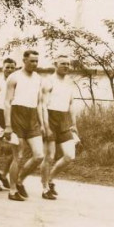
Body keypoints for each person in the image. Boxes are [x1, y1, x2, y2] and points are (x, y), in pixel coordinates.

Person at [4, 48, 44, 200]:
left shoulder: (38, 78)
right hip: (17, 117)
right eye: (32, 61)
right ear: (24, 60)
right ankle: (12, 191)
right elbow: (7, 102)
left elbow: (39, 103)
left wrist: (42, 123)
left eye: (36, 61)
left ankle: (19, 180)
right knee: (18, 156)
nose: (34, 63)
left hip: (32, 117)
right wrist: (8, 125)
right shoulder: (14, 77)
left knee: (39, 155)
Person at [41, 54, 79, 200]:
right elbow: (43, 105)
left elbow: (70, 105)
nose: (66, 66)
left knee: (70, 156)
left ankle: (50, 180)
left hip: (64, 120)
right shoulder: (49, 82)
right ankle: (45, 189)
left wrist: (74, 124)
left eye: (68, 64)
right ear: (55, 64)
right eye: (63, 63)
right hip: (50, 119)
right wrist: (45, 126)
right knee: (49, 156)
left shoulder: (69, 84)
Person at [0, 56, 17, 190]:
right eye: (7, 67)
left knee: (17, 149)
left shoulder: (18, 82)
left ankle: (4, 174)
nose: (10, 70)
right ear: (3, 68)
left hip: (13, 116)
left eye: (12, 67)